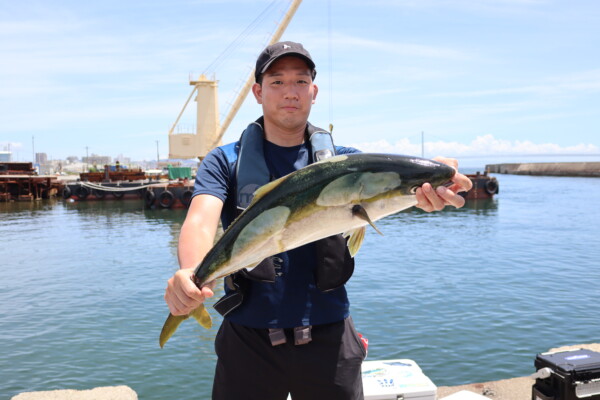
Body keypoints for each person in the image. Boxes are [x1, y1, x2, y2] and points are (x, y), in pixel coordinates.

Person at [164, 41, 473, 400]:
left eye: (300, 81)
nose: (289, 92)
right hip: (247, 340)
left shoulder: (348, 163)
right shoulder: (224, 160)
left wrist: (434, 178)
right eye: (277, 82)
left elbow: (395, 190)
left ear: (314, 91)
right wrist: (190, 271)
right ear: (258, 92)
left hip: (330, 338)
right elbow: (201, 219)